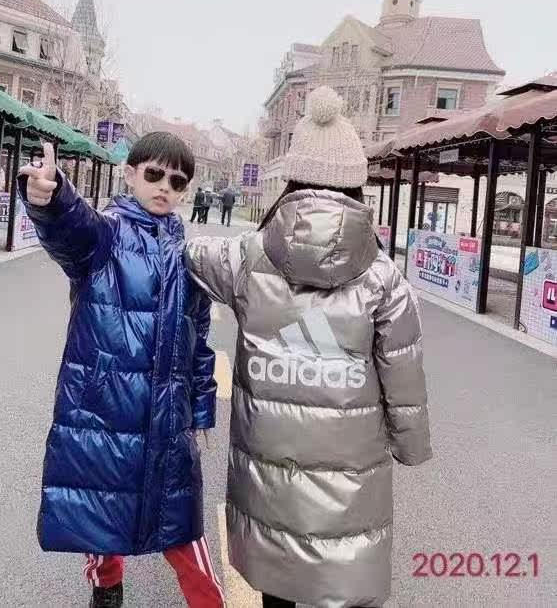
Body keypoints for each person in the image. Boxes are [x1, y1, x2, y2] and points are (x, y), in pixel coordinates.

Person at [185, 87, 432, 608]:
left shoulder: (246, 257)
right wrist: (410, 445)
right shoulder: (383, 277)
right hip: (350, 471)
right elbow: (403, 372)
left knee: (277, 581)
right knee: (340, 575)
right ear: (356, 183)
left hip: (267, 469)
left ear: (292, 178)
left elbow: (181, 253)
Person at [18, 132, 224, 608]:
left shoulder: (187, 256)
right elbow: (73, 228)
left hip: (167, 422)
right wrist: (51, 197)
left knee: (184, 529)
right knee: (101, 511)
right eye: (154, 174)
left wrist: (200, 412)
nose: (164, 186)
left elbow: (199, 342)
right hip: (103, 412)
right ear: (130, 174)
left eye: (177, 181)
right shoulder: (106, 235)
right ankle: (106, 585)